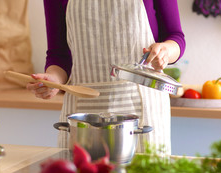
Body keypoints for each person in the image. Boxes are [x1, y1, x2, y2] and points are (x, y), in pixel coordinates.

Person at [26, 0, 186, 155]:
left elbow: (175, 37)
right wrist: (54, 80)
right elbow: (59, 55)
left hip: (143, 111)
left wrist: (166, 50)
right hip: (83, 114)